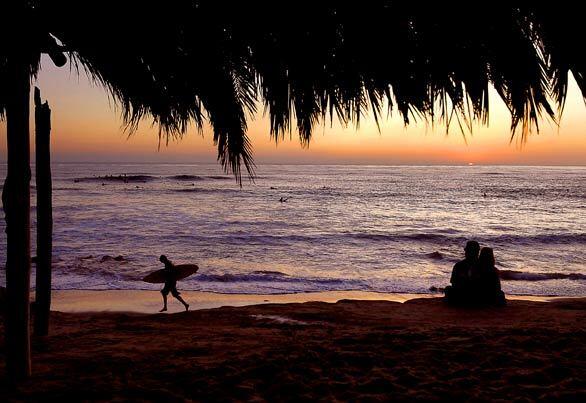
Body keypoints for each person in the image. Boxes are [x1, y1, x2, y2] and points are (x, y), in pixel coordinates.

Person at [444, 240, 480, 305]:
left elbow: (453, 283)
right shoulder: (484, 265)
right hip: (477, 295)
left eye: (466, 250)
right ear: (477, 251)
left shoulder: (459, 265)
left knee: (448, 289)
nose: (465, 252)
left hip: (465, 294)